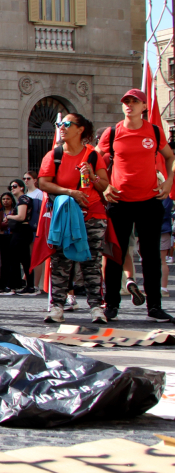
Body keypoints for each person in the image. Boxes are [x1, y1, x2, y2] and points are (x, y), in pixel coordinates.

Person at [98, 88, 175, 322]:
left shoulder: (154, 131)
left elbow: (170, 157)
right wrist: (105, 186)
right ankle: (111, 304)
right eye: (126, 102)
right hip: (119, 202)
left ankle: (154, 307)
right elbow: (94, 160)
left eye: (135, 101)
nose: (129, 105)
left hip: (149, 201)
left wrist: (169, 181)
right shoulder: (111, 133)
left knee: (150, 256)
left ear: (144, 107)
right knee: (114, 256)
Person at [37, 113, 110, 324]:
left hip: (93, 214)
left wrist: (93, 176)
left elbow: (105, 186)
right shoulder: (54, 155)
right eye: (60, 124)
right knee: (61, 261)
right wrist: (70, 193)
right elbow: (43, 183)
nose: (62, 127)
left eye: (67, 124)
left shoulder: (93, 155)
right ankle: (57, 307)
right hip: (66, 215)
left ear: (80, 130)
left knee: (92, 262)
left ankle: (96, 307)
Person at [5, 179, 37, 293]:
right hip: (23, 231)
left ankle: (13, 286)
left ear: (21, 187)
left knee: (15, 258)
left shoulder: (23, 199)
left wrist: (9, 217)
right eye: (11, 187)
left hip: (22, 231)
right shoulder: (23, 199)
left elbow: (21, 217)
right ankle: (29, 285)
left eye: (14, 186)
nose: (12, 188)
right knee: (24, 259)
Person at [0, 192, 16, 294]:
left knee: (12, 260)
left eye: (8, 199)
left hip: (12, 235)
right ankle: (1, 283)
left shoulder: (15, 210)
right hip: (2, 236)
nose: (5, 201)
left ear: (12, 200)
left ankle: (11, 283)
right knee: (3, 261)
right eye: (3, 199)